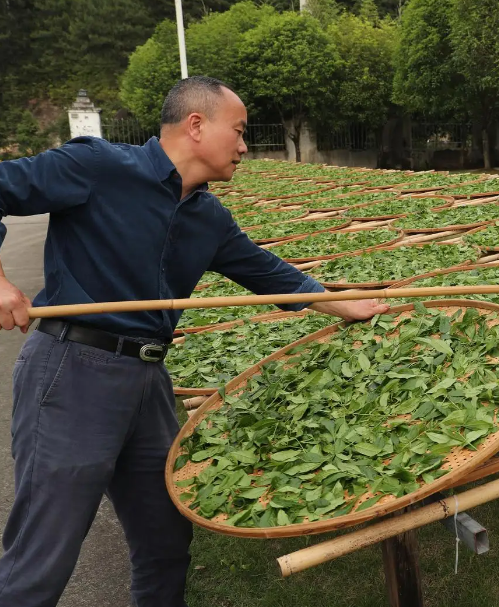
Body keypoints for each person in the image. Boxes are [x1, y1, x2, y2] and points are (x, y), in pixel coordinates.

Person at [0, 76, 388, 607]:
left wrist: (353, 306)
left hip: (148, 381)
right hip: (73, 370)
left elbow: (271, 275)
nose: (246, 147)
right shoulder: (97, 165)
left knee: (165, 541)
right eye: (241, 131)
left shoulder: (209, 217)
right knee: (44, 555)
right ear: (197, 125)